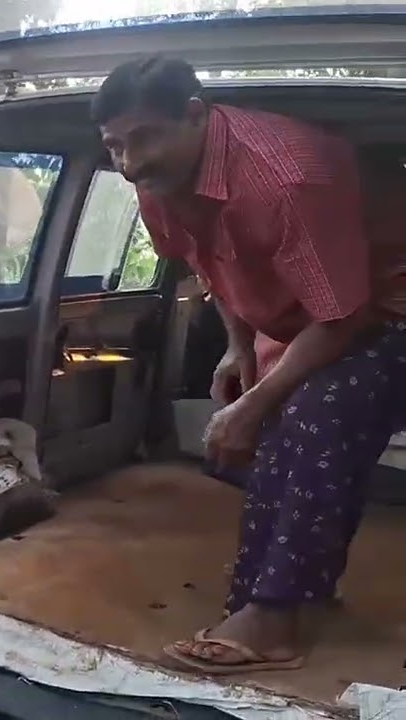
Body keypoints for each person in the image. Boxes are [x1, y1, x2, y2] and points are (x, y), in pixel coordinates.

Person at [92, 55, 406, 674]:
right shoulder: (155, 181)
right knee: (273, 423)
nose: (129, 163)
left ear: (194, 116)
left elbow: (344, 314)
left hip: (390, 302)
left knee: (313, 413)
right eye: (113, 147)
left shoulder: (285, 178)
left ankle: (274, 619)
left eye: (144, 139)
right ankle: (281, 602)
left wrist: (256, 403)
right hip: (322, 311)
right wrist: (239, 348)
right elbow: (211, 263)